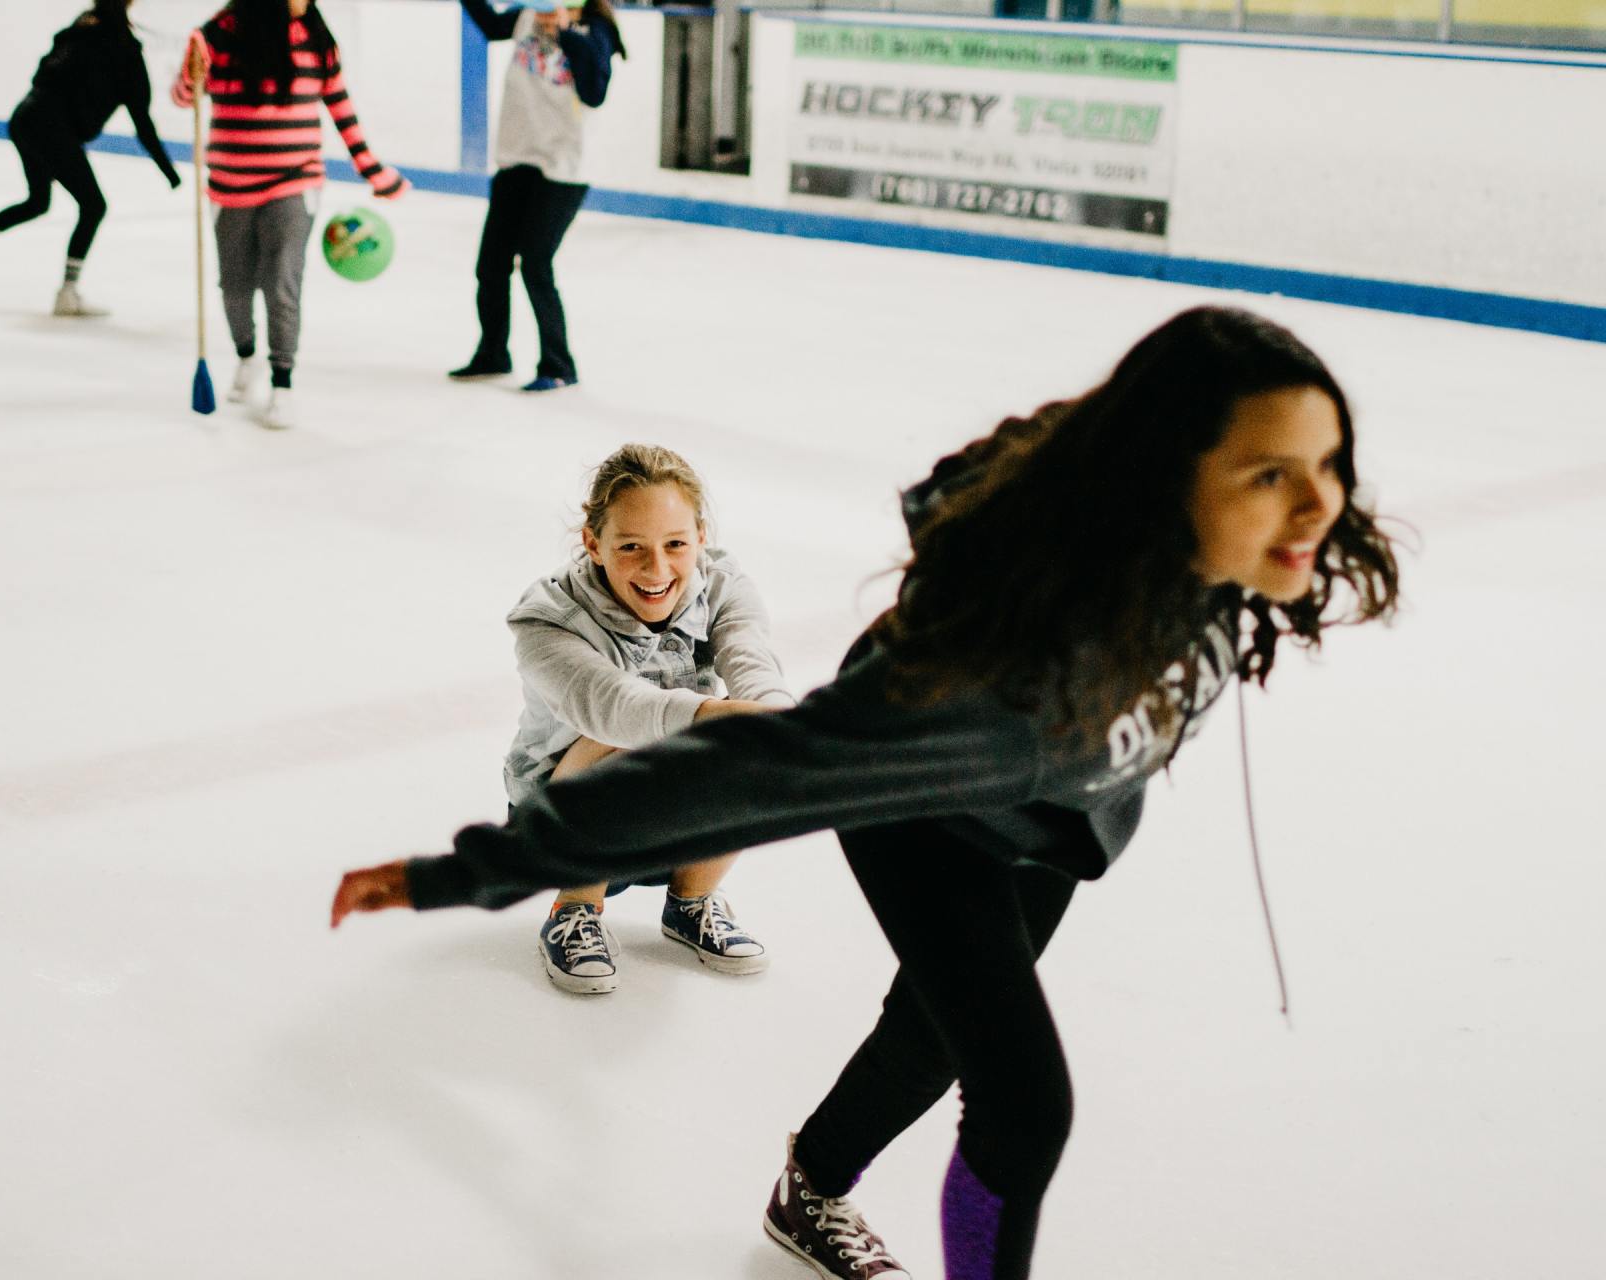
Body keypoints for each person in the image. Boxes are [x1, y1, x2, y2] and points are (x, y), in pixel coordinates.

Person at [332, 307, 1403, 1279]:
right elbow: (753, 769)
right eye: (1269, 475)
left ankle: (811, 1188)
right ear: (1166, 479)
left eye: (1328, 462)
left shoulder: (1207, 551)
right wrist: (474, 868)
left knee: (936, 1029)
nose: (1318, 503)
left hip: (1057, 814)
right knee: (1024, 1106)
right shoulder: (993, 697)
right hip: (928, 814)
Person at [508, 444, 793, 993]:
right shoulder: (545, 619)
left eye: (676, 544)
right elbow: (618, 708)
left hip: (672, 802)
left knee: (753, 739)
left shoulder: (724, 585)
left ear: (701, 536)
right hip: (562, 822)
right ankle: (575, 911)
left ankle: (692, 903)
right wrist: (730, 719)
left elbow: (755, 667)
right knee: (626, 740)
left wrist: (784, 728)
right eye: (631, 545)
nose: (657, 569)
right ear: (593, 542)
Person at [173, 0, 408, 431]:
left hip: (295, 182)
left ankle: (283, 382)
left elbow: (341, 108)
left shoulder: (317, 41)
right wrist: (191, 67)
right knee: (235, 285)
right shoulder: (223, 33)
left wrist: (373, 171)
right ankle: (247, 357)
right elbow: (184, 98)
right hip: (231, 185)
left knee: (281, 282)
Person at [0, 0, 179, 318]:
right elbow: (142, 124)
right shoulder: (126, 52)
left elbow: (46, 69)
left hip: (25, 117)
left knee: (38, 202)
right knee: (93, 206)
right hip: (52, 129)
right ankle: (67, 292)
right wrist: (169, 171)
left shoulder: (81, 28)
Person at [447, 0, 624, 393]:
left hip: (563, 168)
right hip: (517, 158)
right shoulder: (526, 16)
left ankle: (559, 365)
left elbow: (595, 92)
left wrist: (562, 32)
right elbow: (491, 24)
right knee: (491, 264)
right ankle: (493, 352)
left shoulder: (595, 31)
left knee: (535, 262)